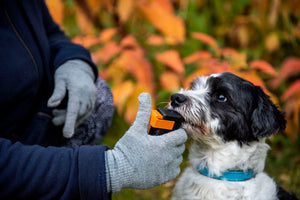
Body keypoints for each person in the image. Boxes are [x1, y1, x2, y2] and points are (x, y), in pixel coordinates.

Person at [0, 0, 188, 199]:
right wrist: (110, 169)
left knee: (99, 95)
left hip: (28, 122)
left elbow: (50, 34)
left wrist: (74, 62)